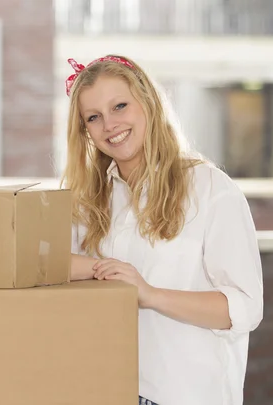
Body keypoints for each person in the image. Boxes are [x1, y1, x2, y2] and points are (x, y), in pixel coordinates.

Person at [62, 55, 263, 405]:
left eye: (120, 106)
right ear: (86, 132)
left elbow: (244, 307)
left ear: (148, 103)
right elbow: (54, 270)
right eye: (94, 117)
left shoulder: (211, 189)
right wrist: (96, 270)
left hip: (183, 395)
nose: (109, 124)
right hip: (106, 389)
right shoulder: (87, 201)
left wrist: (150, 293)